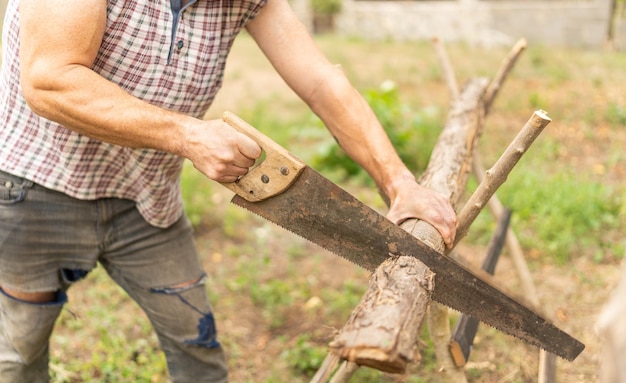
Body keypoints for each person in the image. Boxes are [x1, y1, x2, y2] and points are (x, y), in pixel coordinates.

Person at [0, 0, 457, 381]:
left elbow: (322, 81)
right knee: (19, 353)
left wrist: (399, 183)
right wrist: (189, 135)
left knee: (195, 343)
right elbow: (50, 80)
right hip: (35, 189)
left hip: (147, 199)